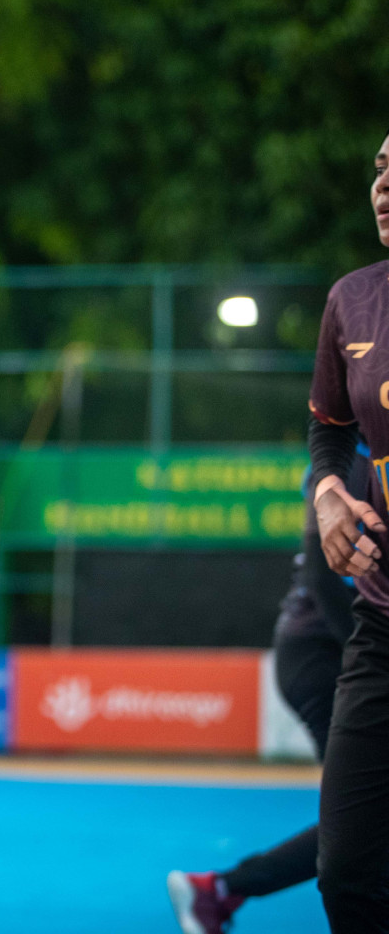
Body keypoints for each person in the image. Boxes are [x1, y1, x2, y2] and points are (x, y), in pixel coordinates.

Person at [166, 452, 365, 933]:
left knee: (366, 815)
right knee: (365, 814)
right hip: (327, 657)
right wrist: (374, 656)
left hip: (336, 653)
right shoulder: (353, 454)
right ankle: (219, 890)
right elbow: (324, 578)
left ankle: (218, 891)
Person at [306, 130, 389, 933]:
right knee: (347, 871)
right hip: (384, 622)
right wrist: (329, 493)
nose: (385, 184)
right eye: (380, 167)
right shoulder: (352, 299)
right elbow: (329, 431)